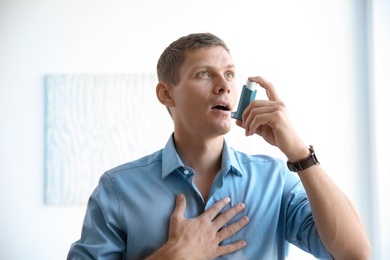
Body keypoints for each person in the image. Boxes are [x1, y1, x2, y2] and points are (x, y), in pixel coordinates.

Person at [67, 32, 371, 259]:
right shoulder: (118, 189)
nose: (224, 84)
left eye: (229, 74)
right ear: (166, 94)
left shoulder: (275, 181)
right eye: (204, 74)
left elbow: (355, 253)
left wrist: (301, 153)